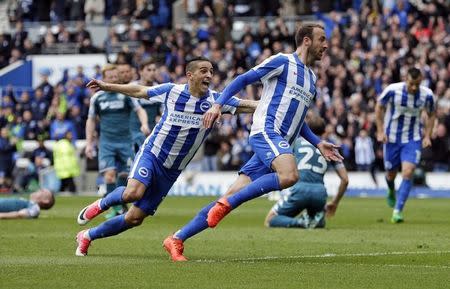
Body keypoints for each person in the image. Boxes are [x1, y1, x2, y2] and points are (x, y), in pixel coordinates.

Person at [164, 23, 343, 261]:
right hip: (267, 132)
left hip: (277, 145)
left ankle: (177, 238)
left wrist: (317, 142)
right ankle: (226, 206)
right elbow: (243, 79)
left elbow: (297, 119)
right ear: (307, 41)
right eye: (322, 39)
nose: (326, 45)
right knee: (290, 175)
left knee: (229, 195)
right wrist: (218, 104)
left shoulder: (311, 77)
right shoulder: (282, 62)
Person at [75, 57, 258, 257]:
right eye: (204, 71)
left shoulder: (216, 102)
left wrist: (282, 104)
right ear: (190, 75)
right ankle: (101, 204)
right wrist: (107, 86)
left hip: (171, 170)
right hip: (152, 154)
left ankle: (87, 236)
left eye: (211, 71)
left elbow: (248, 105)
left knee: (134, 218)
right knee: (132, 193)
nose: (209, 75)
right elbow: (140, 91)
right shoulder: (172, 91)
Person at [85, 64, 150, 219]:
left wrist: (144, 123)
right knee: (109, 175)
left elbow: (140, 110)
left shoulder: (125, 95)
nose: (113, 79)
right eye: (110, 77)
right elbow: (91, 120)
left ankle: (121, 205)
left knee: (124, 175)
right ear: (104, 79)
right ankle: (114, 208)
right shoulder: (97, 98)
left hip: (125, 141)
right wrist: (89, 143)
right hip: (107, 142)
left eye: (116, 76)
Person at [264, 114, 348, 229]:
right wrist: (334, 202)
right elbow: (345, 180)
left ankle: (301, 222)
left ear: (306, 130)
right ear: (324, 132)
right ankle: (316, 219)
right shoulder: (330, 148)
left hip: (299, 189)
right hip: (320, 193)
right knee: (317, 221)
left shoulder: (296, 143)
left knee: (270, 219)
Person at [375, 67, 436, 223]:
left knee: (408, 172)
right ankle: (390, 189)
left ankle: (398, 211)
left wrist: (427, 135)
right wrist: (380, 131)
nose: (414, 87)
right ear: (405, 79)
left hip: (412, 139)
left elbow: (431, 114)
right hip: (392, 139)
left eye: (417, 84)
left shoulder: (427, 95)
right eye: (411, 83)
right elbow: (379, 107)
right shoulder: (392, 90)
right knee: (390, 174)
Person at [129, 59, 161, 153]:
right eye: (149, 70)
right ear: (141, 71)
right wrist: (144, 124)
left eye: (154, 70)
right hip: (134, 131)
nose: (152, 73)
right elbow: (138, 109)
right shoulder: (132, 87)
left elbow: (163, 111)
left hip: (152, 131)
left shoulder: (159, 89)